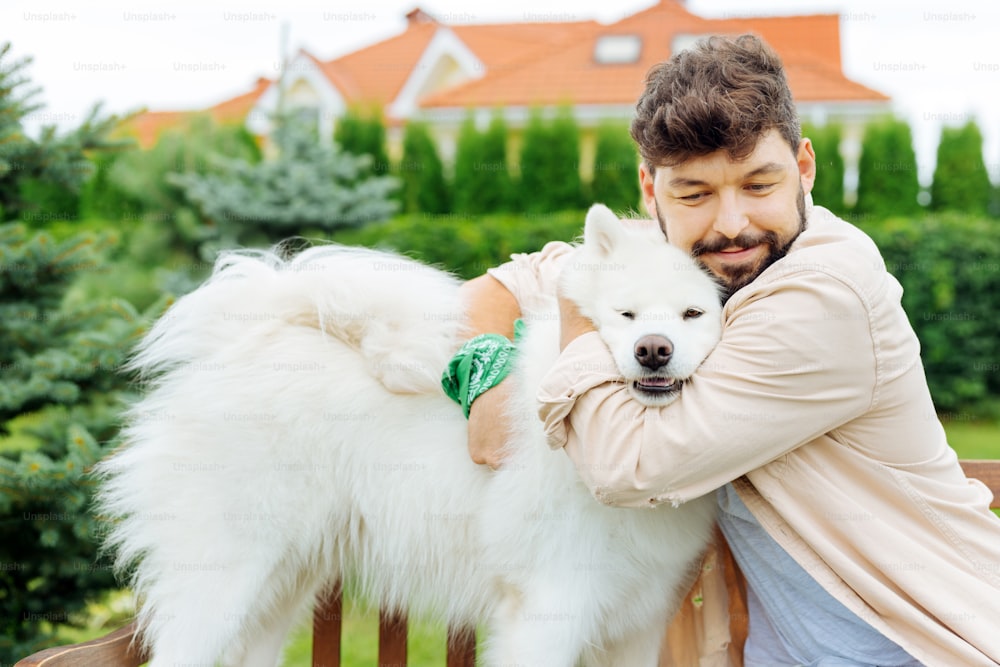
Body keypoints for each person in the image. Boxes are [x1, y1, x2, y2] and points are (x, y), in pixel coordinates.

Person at [455, 34, 1000, 666]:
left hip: (920, 647)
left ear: (804, 168)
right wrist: (485, 377)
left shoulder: (827, 296)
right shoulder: (679, 264)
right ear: (651, 192)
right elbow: (493, 289)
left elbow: (629, 467)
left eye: (759, 184)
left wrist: (579, 309)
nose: (731, 224)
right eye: (695, 194)